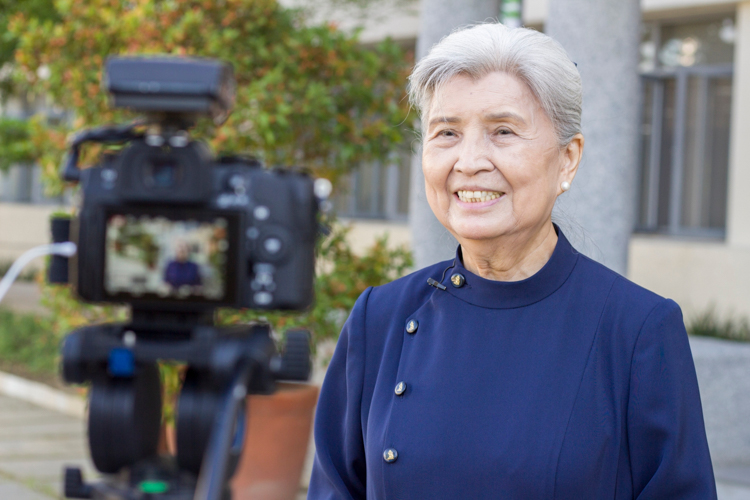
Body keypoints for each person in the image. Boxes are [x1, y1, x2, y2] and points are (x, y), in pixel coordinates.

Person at [308, 23, 716, 499]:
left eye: (503, 131)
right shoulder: (380, 318)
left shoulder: (636, 329)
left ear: (567, 159)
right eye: (446, 132)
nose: (469, 160)